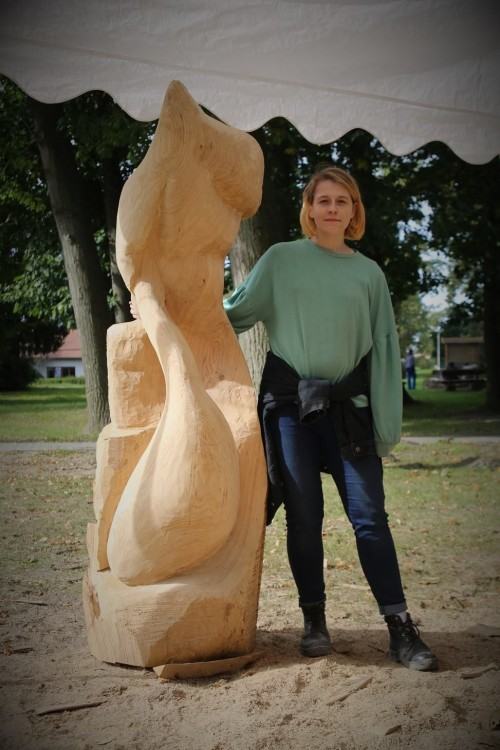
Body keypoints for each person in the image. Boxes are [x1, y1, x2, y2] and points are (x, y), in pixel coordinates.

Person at [223, 165, 438, 671]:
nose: (333, 208)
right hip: (291, 409)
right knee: (304, 516)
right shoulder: (281, 260)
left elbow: (384, 350)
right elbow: (233, 313)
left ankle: (400, 628)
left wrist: (386, 425)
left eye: (343, 201)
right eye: (324, 200)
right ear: (310, 208)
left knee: (370, 518)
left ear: (354, 210)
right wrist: (167, 307)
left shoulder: (369, 274)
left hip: (348, 410)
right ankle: (314, 621)